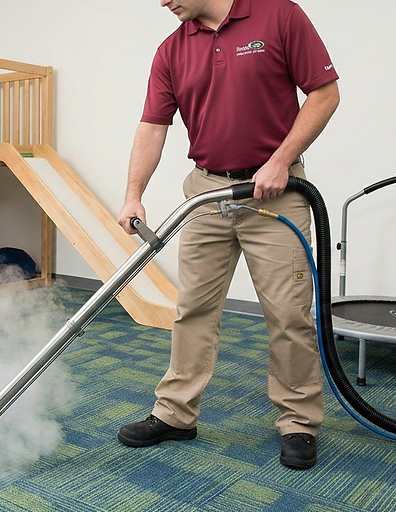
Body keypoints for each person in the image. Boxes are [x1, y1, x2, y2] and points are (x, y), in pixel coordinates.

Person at [115, 0, 339, 470]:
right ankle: (175, 413)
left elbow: (324, 93)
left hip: (275, 193)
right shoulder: (171, 50)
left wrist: (280, 161)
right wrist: (134, 194)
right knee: (192, 308)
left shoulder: (279, 15)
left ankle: (298, 421)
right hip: (206, 193)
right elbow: (153, 126)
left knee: (289, 313)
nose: (162, 1)